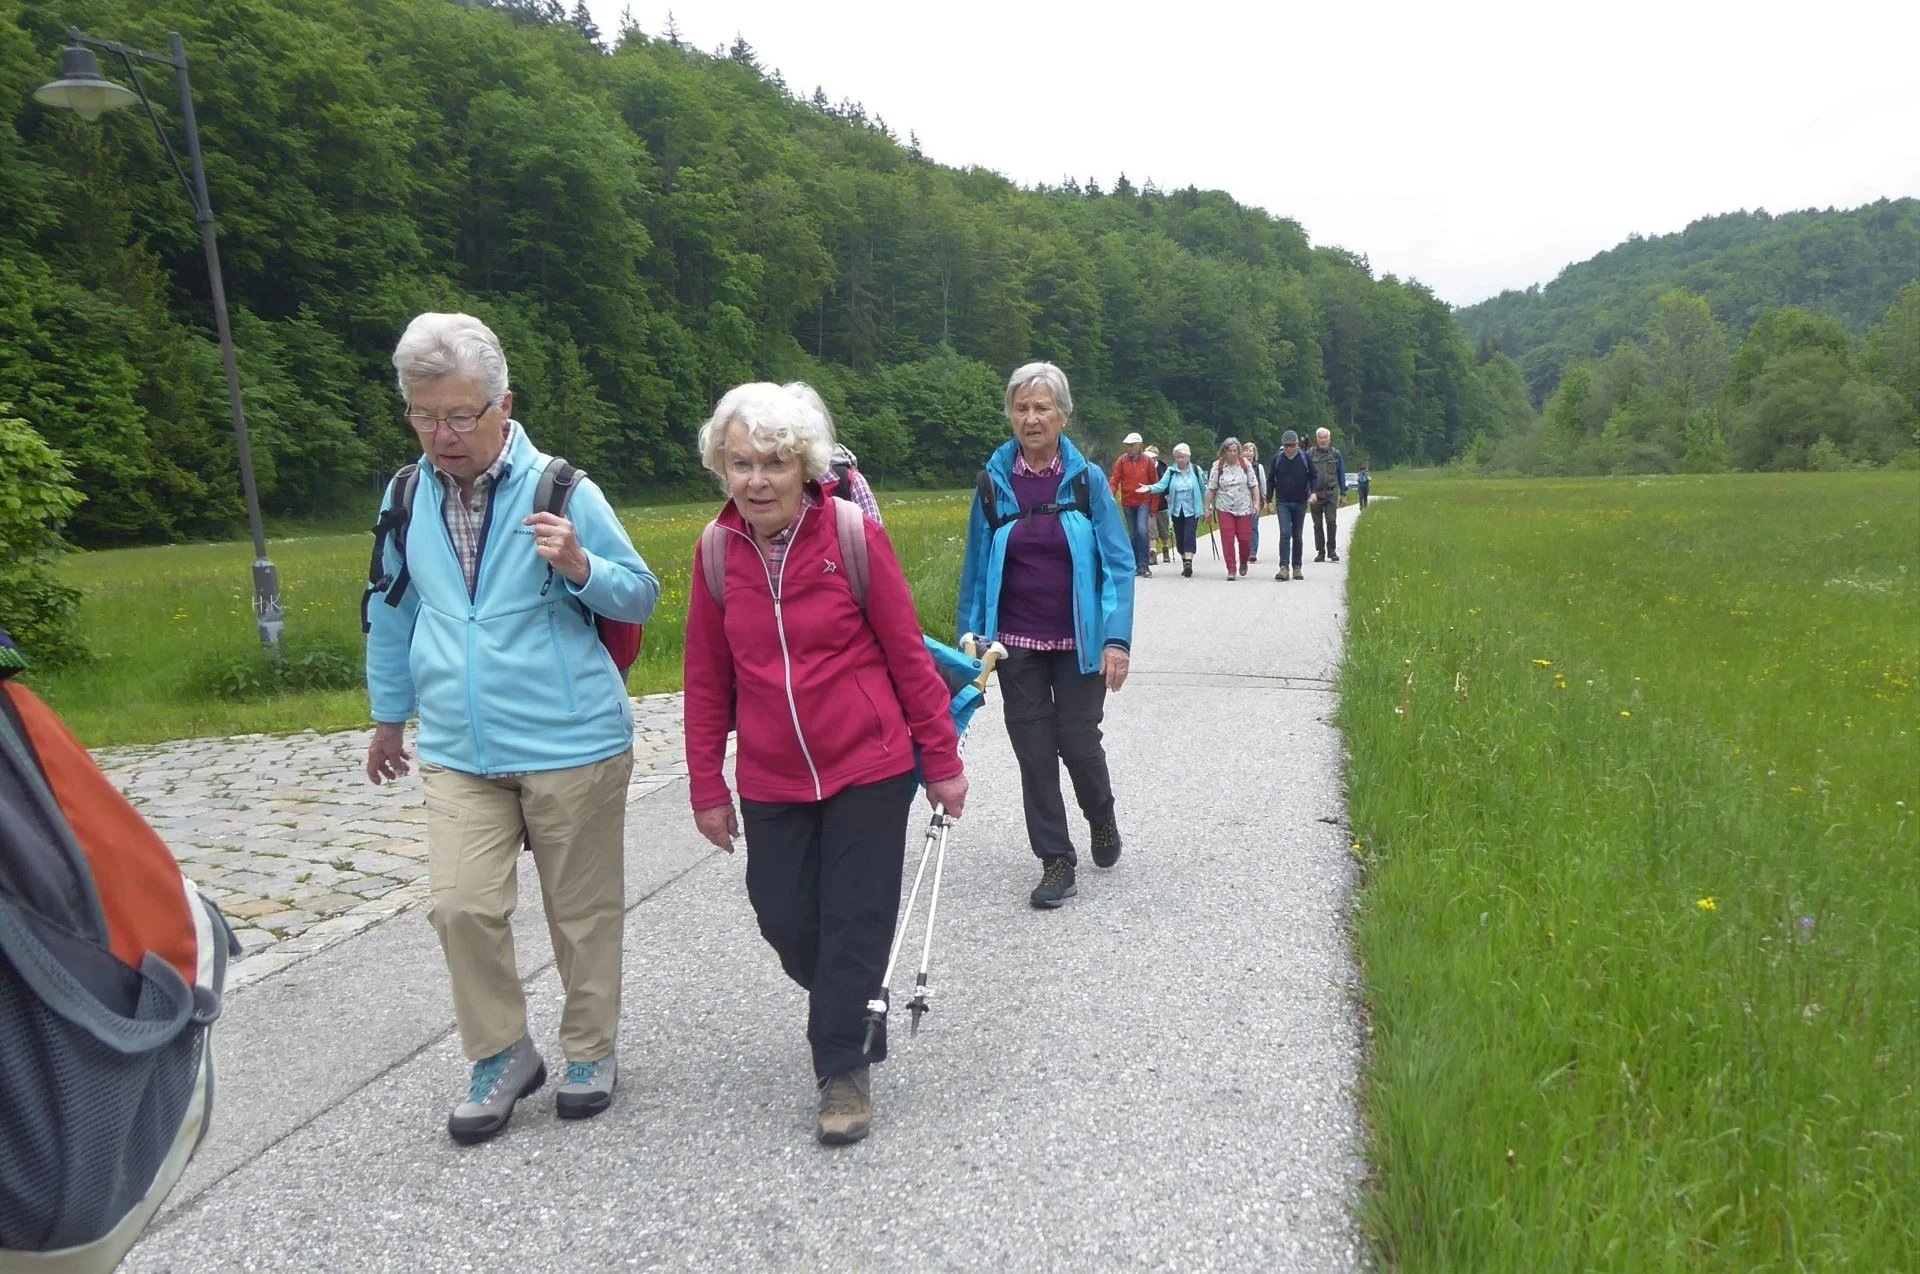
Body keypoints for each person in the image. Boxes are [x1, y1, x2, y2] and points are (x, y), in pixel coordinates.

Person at [364, 312, 659, 1144]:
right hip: (458, 744)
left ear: (503, 405)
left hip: (571, 739)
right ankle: (500, 1053)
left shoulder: (563, 490)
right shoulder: (405, 495)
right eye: (424, 415)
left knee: (582, 913)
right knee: (459, 906)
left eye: (460, 415)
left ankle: (589, 1051)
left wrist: (580, 566)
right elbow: (391, 614)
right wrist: (389, 718)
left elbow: (639, 594)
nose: (443, 435)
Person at [683, 382, 967, 1146]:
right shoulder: (715, 554)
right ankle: (848, 996)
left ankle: (842, 1066)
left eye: (773, 463)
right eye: (740, 464)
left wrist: (940, 758)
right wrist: (705, 784)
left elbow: (909, 658)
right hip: (772, 774)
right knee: (782, 914)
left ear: (804, 465)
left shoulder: (850, 536)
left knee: (857, 912)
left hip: (869, 765)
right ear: (723, 468)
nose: (756, 481)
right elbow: (707, 681)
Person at [958, 361, 1134, 910]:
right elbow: (975, 564)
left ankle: (1100, 817)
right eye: (1022, 407)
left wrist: (1117, 640)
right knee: (1034, 753)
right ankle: (1056, 860)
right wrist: (970, 635)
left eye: (1042, 407)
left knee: (1078, 745)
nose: (1031, 418)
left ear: (1062, 414)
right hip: (1014, 643)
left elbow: (1118, 563)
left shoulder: (1086, 481)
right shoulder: (992, 482)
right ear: (1011, 414)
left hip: (1080, 641)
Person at [1137, 442, 1208, 577]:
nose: (1180, 459)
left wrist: (1208, 505)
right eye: (1177, 457)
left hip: (1192, 509)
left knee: (1189, 534)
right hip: (1176, 509)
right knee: (1180, 536)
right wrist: (1149, 488)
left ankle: (1188, 562)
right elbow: (1162, 485)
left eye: (1182, 457)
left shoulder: (1195, 470)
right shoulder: (1170, 471)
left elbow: (1203, 488)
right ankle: (1184, 560)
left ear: (1188, 457)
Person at [1204, 437, 1258, 579]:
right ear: (1224, 452)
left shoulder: (1245, 464)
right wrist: (1207, 508)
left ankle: (1244, 561)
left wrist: (1257, 503)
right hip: (1224, 507)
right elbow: (1211, 489)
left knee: (1245, 538)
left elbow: (1253, 484)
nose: (1233, 453)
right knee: (1227, 539)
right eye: (1230, 451)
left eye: (1235, 450)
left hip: (1244, 507)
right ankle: (1231, 569)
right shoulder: (1218, 466)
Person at [1109, 430, 1158, 578]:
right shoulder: (1122, 461)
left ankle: (1145, 565)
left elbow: (1155, 484)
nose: (1129, 448)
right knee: (1132, 533)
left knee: (1142, 530)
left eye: (1131, 445)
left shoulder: (1148, 461)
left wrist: (1154, 507)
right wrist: (1108, 497)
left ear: (1139, 445)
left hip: (1144, 501)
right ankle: (1136, 565)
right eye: (1127, 445)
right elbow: (1114, 480)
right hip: (1128, 502)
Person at [1267, 429, 1313, 581]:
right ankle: (1284, 567)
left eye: (1292, 445)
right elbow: (1270, 480)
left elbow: (1314, 476)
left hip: (1300, 501)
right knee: (1285, 533)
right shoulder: (1278, 459)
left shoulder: (1305, 458)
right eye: (1286, 446)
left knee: (1297, 535)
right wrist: (1268, 500)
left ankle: (1297, 566)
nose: (1289, 449)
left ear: (1297, 445)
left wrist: (1314, 493)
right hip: (1283, 502)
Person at [1307, 427, 1348, 563]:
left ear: (1329, 439)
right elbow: (1306, 475)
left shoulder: (1336, 454)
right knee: (1317, 524)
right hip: (1315, 494)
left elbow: (1341, 474)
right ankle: (1320, 551)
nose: (1323, 440)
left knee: (1331, 522)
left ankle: (1332, 550)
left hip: (1331, 493)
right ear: (1317, 439)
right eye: (1320, 437)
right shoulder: (1310, 454)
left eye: (1325, 437)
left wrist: (1343, 493)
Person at [1146, 445, 1173, 564]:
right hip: (1149, 504)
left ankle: (1165, 549)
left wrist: (1169, 495)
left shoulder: (1163, 468)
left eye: (1152, 457)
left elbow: (1168, 484)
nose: (1150, 459)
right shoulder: (1144, 467)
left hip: (1162, 503)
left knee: (1164, 530)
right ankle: (1152, 553)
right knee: (1151, 530)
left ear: (1156, 457)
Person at [1243, 440, 1267, 564]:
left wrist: (1264, 498)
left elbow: (1263, 483)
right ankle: (1244, 550)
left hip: (1254, 500)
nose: (1248, 453)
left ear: (1254, 453)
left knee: (1253, 526)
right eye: (1246, 450)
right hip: (1241, 500)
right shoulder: (1239, 466)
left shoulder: (1259, 467)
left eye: (1250, 451)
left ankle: (1252, 552)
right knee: (1243, 528)